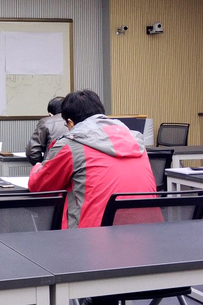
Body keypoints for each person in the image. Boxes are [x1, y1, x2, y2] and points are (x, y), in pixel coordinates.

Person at [28, 90, 156, 229]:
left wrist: (38, 166)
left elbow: (39, 186)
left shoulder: (70, 145)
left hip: (91, 236)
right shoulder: (136, 141)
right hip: (147, 232)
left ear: (70, 122)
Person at [26, 96, 68, 165]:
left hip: (52, 166)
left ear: (50, 114)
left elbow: (32, 151)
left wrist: (42, 165)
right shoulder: (78, 121)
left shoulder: (46, 122)